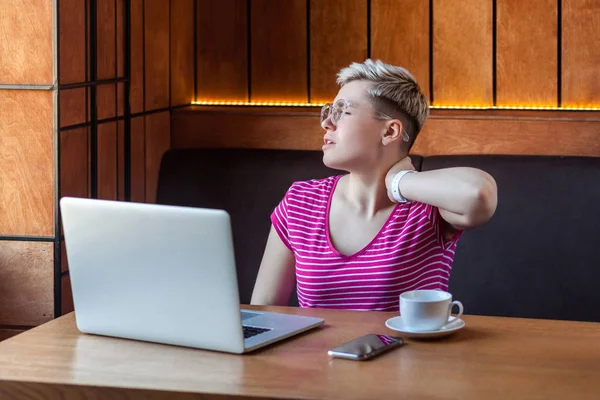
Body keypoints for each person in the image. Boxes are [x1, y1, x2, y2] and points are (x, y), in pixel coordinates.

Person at [251, 59, 497, 311]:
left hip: (409, 352)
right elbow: (265, 309)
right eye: (329, 111)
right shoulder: (300, 202)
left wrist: (399, 182)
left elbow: (478, 194)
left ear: (390, 132)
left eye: (343, 111)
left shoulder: (428, 208)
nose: (327, 123)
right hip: (317, 352)